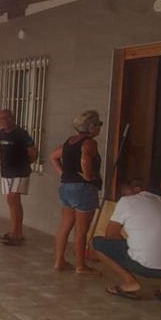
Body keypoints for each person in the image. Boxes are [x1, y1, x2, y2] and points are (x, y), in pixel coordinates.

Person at [93, 173, 161, 302]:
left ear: (138, 189)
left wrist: (131, 247)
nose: (123, 194)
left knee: (96, 243)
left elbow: (110, 235)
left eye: (125, 190)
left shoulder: (127, 201)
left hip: (146, 267)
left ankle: (130, 283)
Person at [49, 110, 103, 274]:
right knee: (81, 230)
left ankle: (59, 262)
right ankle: (80, 266)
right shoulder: (89, 143)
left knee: (65, 226)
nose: (100, 128)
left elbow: (53, 156)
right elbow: (85, 159)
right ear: (92, 127)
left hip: (66, 188)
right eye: (99, 124)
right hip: (83, 190)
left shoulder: (69, 142)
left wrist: (63, 173)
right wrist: (88, 175)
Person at [0, 109, 37, 246]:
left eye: (6, 118)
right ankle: (15, 231)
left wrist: (25, 164)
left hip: (20, 172)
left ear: (12, 119)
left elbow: (33, 153)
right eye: (1, 119)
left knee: (12, 198)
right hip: (6, 172)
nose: (3, 121)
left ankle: (16, 233)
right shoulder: (1, 133)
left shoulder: (21, 134)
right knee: (12, 202)